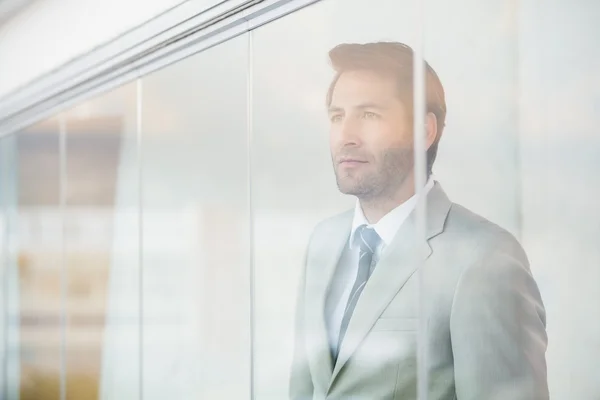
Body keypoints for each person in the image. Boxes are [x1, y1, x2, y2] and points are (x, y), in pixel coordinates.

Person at [289, 42, 548, 400]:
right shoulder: (323, 241)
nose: (346, 136)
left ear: (424, 131)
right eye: (337, 116)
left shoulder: (486, 260)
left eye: (369, 115)